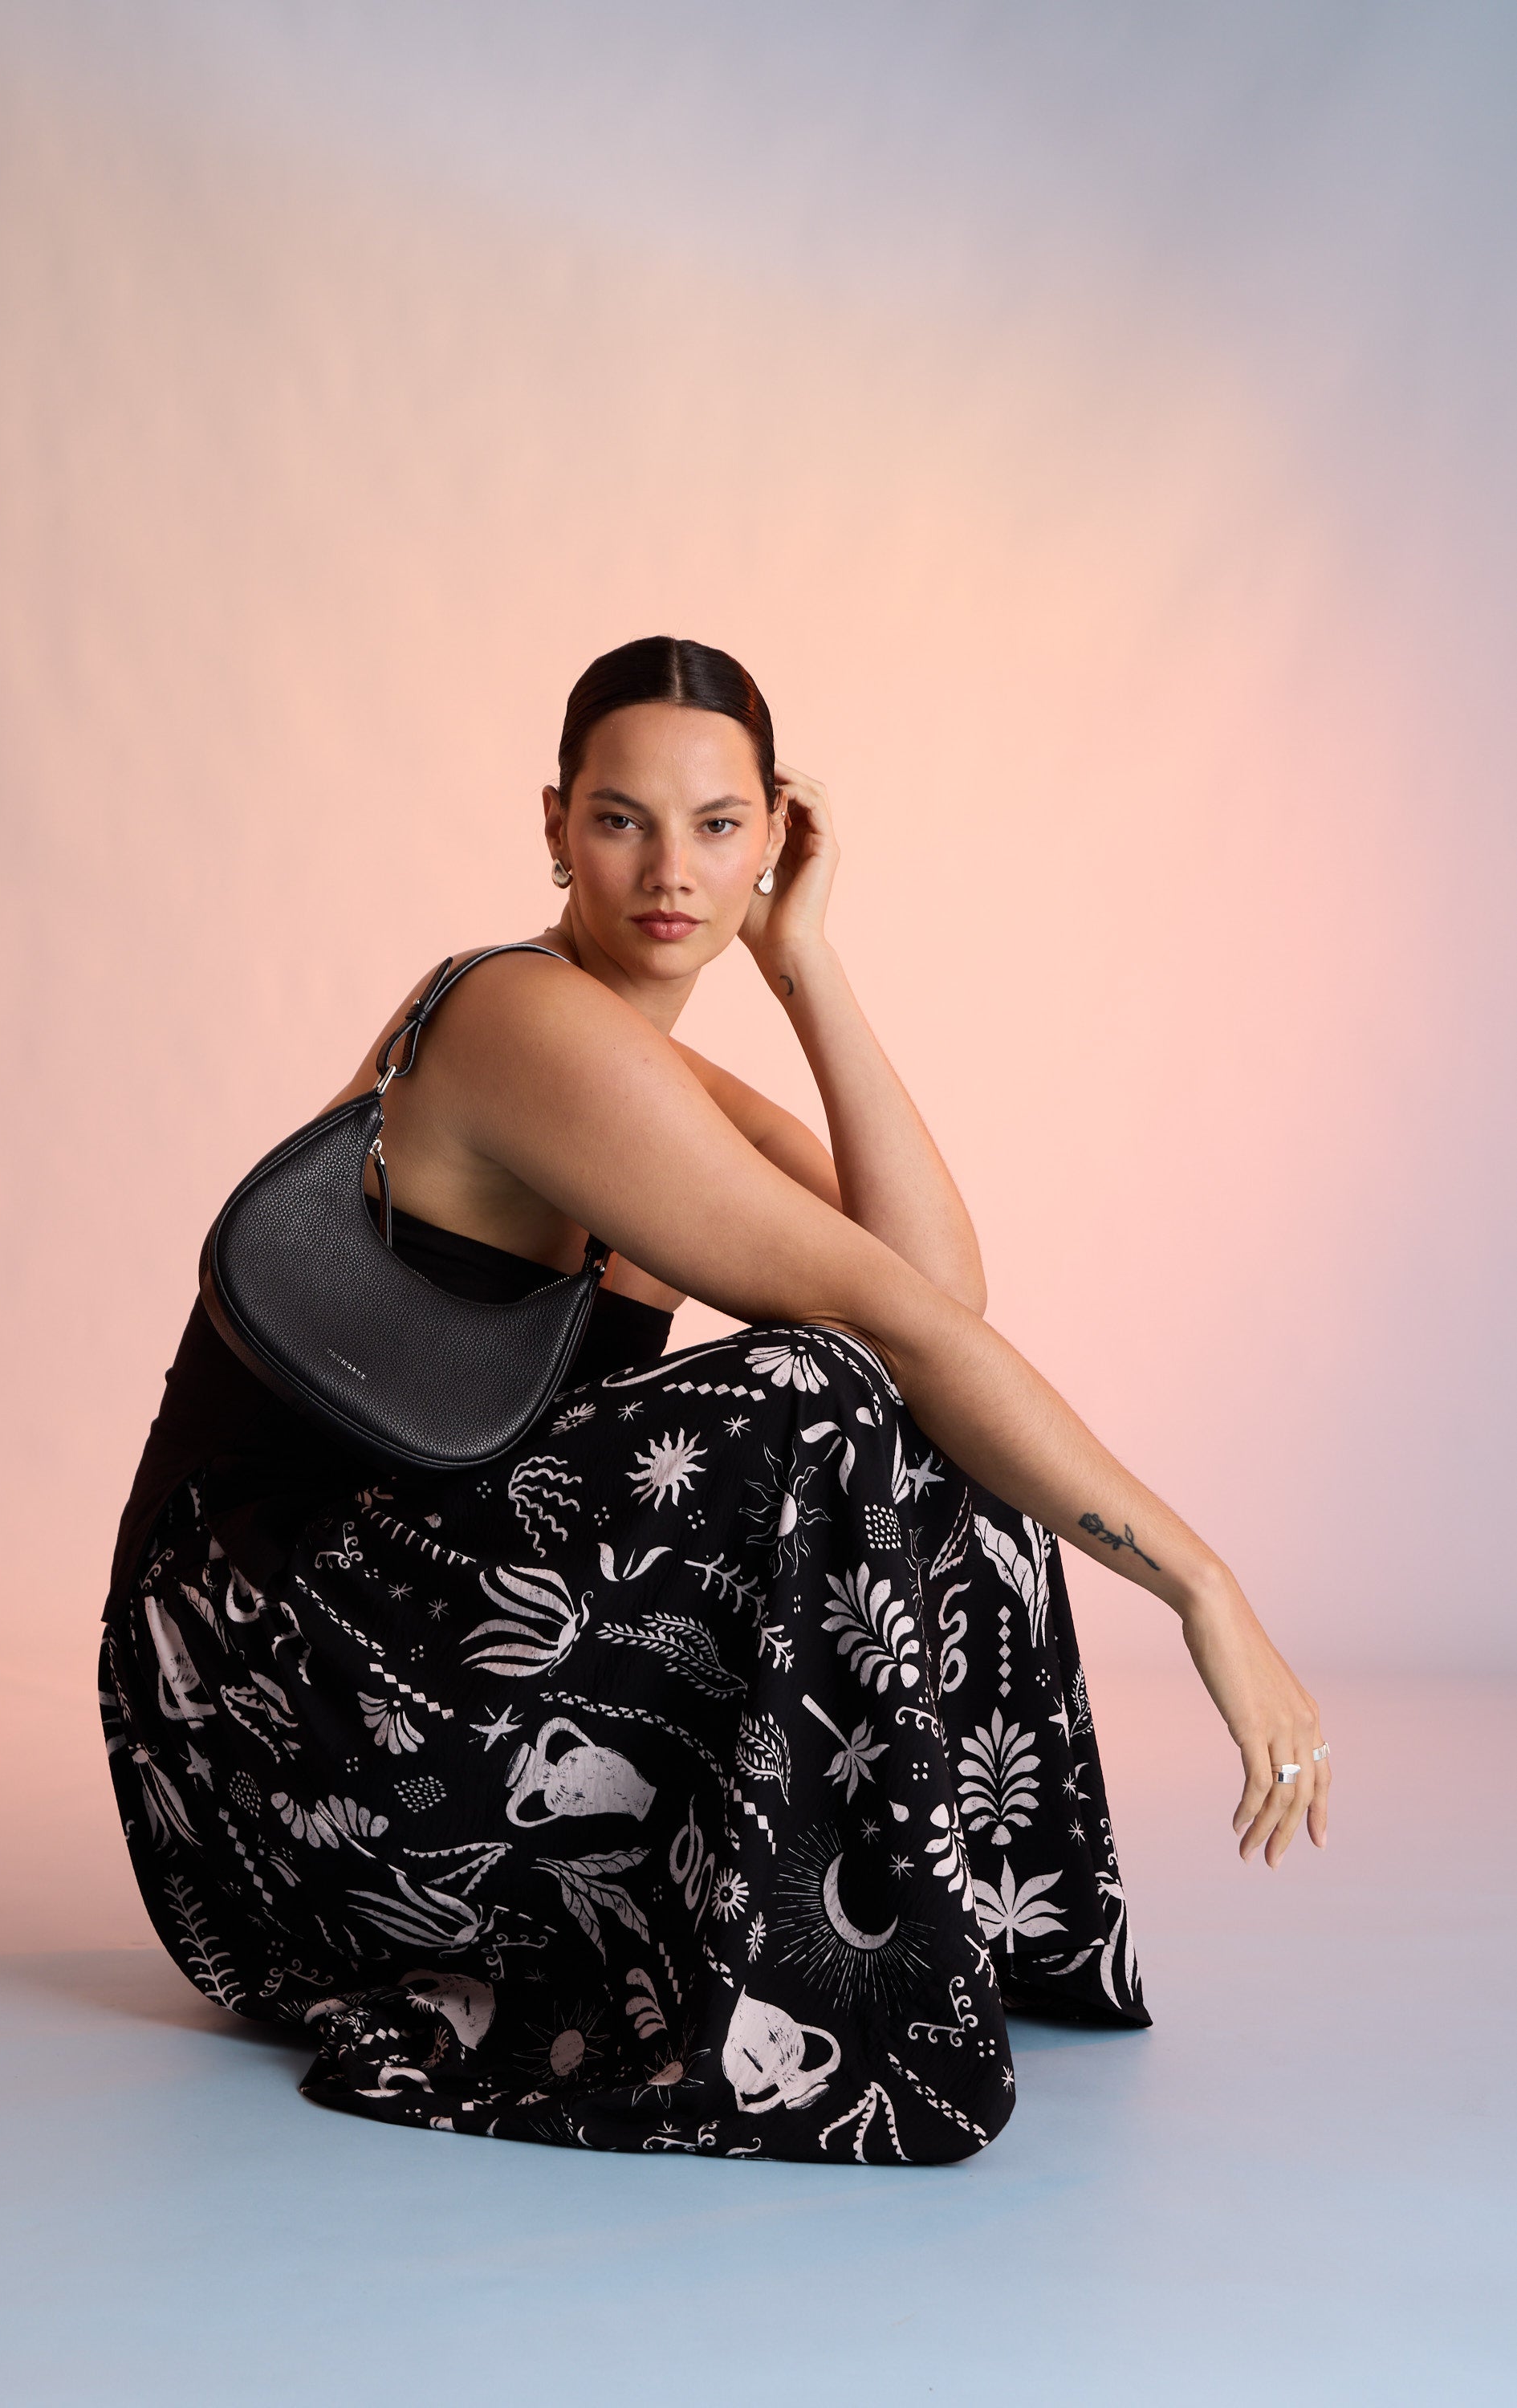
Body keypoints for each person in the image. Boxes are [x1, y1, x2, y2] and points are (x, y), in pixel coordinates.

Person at [99, 634, 1328, 2166]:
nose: (669, 870)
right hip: (276, 1715)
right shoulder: (523, 1024)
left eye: (719, 826)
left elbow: (941, 1297)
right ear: (553, 825)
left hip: (419, 1648)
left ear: (772, 837)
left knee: (903, 1394)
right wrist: (1200, 1586)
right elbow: (890, 1322)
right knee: (822, 1388)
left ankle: (934, 1912)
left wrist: (802, 963)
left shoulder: (640, 1063)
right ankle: (829, 1949)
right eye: (620, 819)